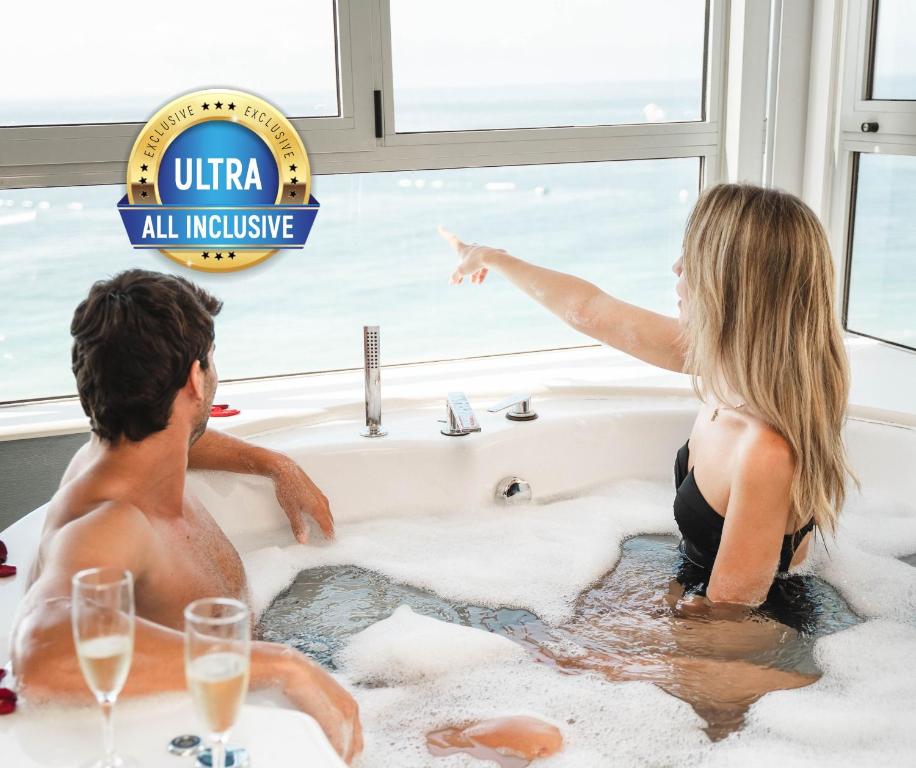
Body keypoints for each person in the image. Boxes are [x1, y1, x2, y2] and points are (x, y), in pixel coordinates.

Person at [440, 182, 852, 609]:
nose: (676, 268)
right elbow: (590, 311)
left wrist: (600, 652)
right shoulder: (726, 372)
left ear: (730, 285)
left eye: (692, 258)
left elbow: (729, 620)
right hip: (698, 601)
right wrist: (491, 257)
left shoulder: (764, 451)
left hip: (754, 643)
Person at [10, 270, 362, 763]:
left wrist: (274, 464)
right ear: (196, 379)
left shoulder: (124, 450)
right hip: (217, 733)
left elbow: (172, 433)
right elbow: (43, 652)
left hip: (247, 694)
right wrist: (284, 665)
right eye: (212, 362)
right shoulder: (112, 525)